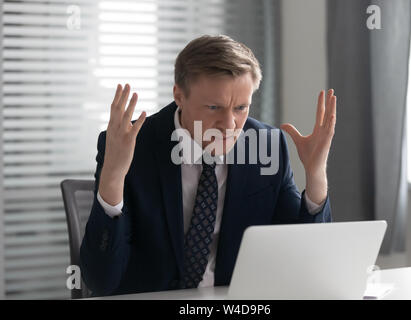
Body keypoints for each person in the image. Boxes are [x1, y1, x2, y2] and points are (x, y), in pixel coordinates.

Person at [80, 35, 336, 297]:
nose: (229, 124)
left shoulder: (266, 147)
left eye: (240, 107)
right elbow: (101, 280)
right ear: (179, 95)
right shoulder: (133, 145)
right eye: (214, 107)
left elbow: (305, 261)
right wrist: (113, 177)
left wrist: (315, 175)